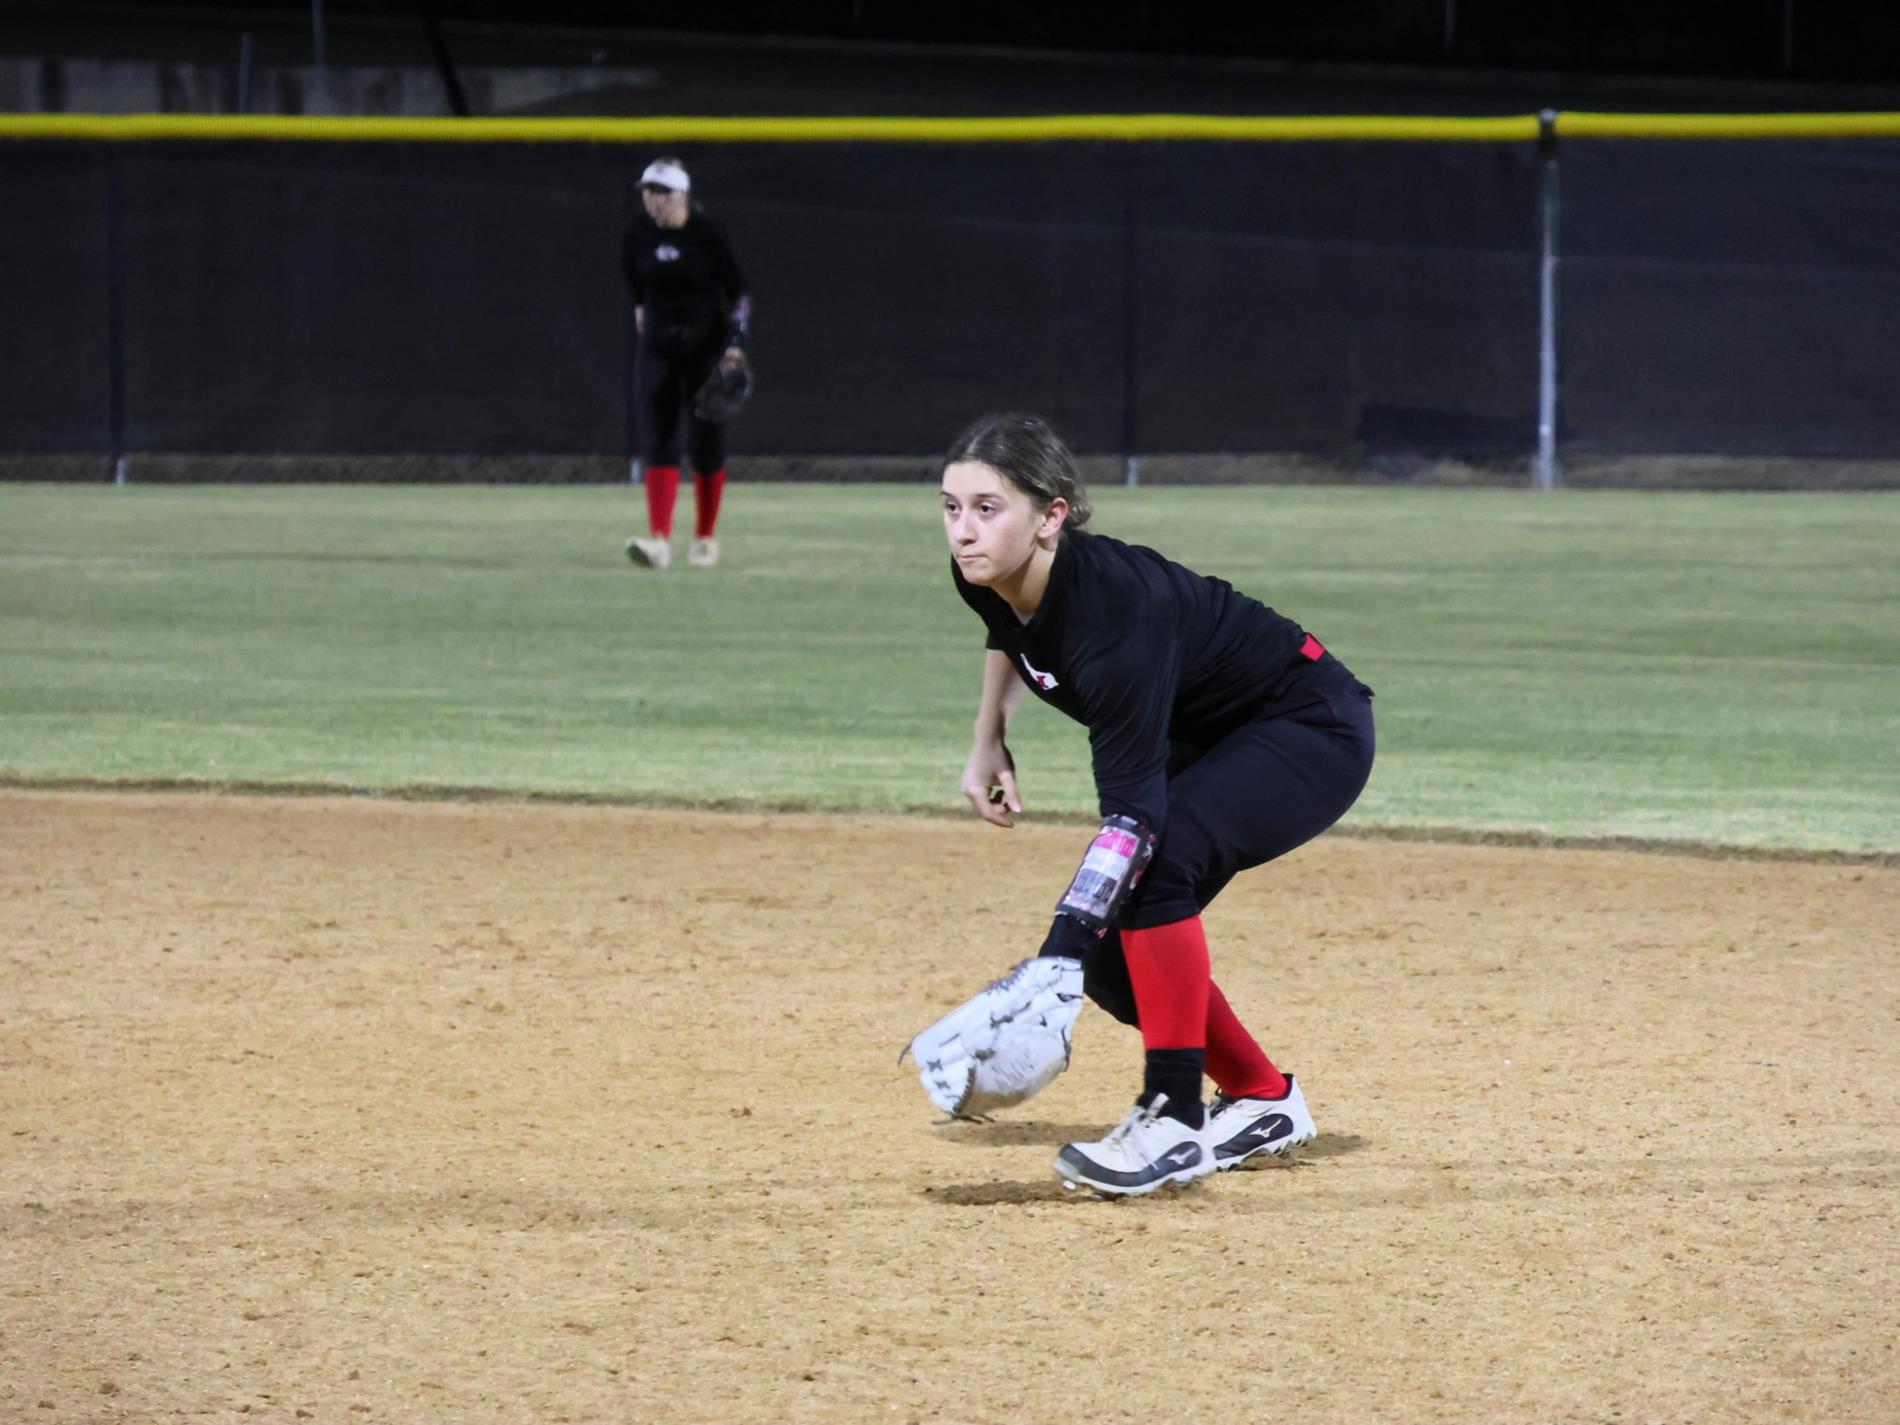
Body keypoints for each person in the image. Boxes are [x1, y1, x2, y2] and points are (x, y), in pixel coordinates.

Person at [937, 413, 1375, 1196]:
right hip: (1209, 739)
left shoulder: (1115, 619)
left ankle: (1173, 1119)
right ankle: (1264, 1099)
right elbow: (1009, 629)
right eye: (951, 507)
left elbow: (1133, 823)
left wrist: (1053, 954)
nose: (964, 530)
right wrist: (988, 733)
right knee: (1110, 964)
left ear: (1051, 516)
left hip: (1308, 724)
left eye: (987, 508)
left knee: (1154, 865)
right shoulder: (985, 570)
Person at [621, 156, 751, 571]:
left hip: (705, 347)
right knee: (658, 439)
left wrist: (735, 345)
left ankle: (705, 539)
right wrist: (645, 319)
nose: (652, 199)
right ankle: (658, 540)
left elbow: (739, 293)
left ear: (682, 195)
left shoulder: (708, 234)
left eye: (661, 192)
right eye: (648, 191)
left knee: (705, 443)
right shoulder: (636, 235)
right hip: (658, 348)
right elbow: (637, 290)